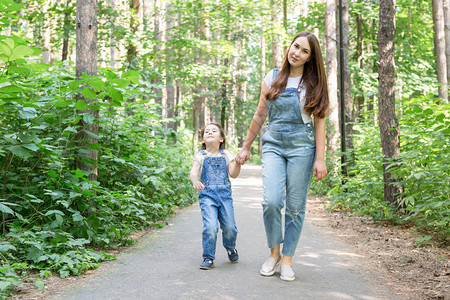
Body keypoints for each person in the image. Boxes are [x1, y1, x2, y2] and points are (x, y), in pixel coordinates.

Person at [235, 31, 329, 281]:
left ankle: (287, 259)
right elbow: (259, 115)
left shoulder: (314, 85)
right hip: (274, 145)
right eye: (295, 46)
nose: (297, 53)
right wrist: (246, 147)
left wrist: (320, 159)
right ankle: (274, 253)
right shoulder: (271, 77)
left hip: (302, 148)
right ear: (290, 46)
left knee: (295, 208)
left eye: (304, 51)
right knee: (272, 201)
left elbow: (320, 124)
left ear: (310, 57)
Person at [189, 123, 241, 270]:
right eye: (207, 131)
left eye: (214, 131)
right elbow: (193, 172)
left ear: (221, 138)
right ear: (203, 140)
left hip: (225, 196)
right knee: (210, 226)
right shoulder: (201, 155)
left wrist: (237, 163)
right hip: (207, 196)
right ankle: (208, 257)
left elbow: (233, 174)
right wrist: (195, 180)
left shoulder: (226, 155)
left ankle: (230, 247)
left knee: (230, 227)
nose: (210, 133)